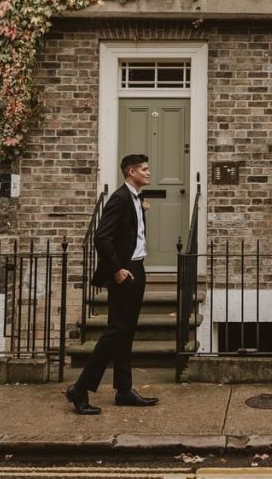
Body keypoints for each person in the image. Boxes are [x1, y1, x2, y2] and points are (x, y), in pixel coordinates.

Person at [65, 153, 159, 415]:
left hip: (137, 268)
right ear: (131, 172)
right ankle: (80, 388)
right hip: (126, 272)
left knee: (126, 331)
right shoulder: (119, 199)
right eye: (145, 169)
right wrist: (117, 269)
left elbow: (129, 235)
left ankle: (124, 390)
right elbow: (101, 237)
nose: (149, 173)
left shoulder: (134, 199)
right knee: (116, 331)